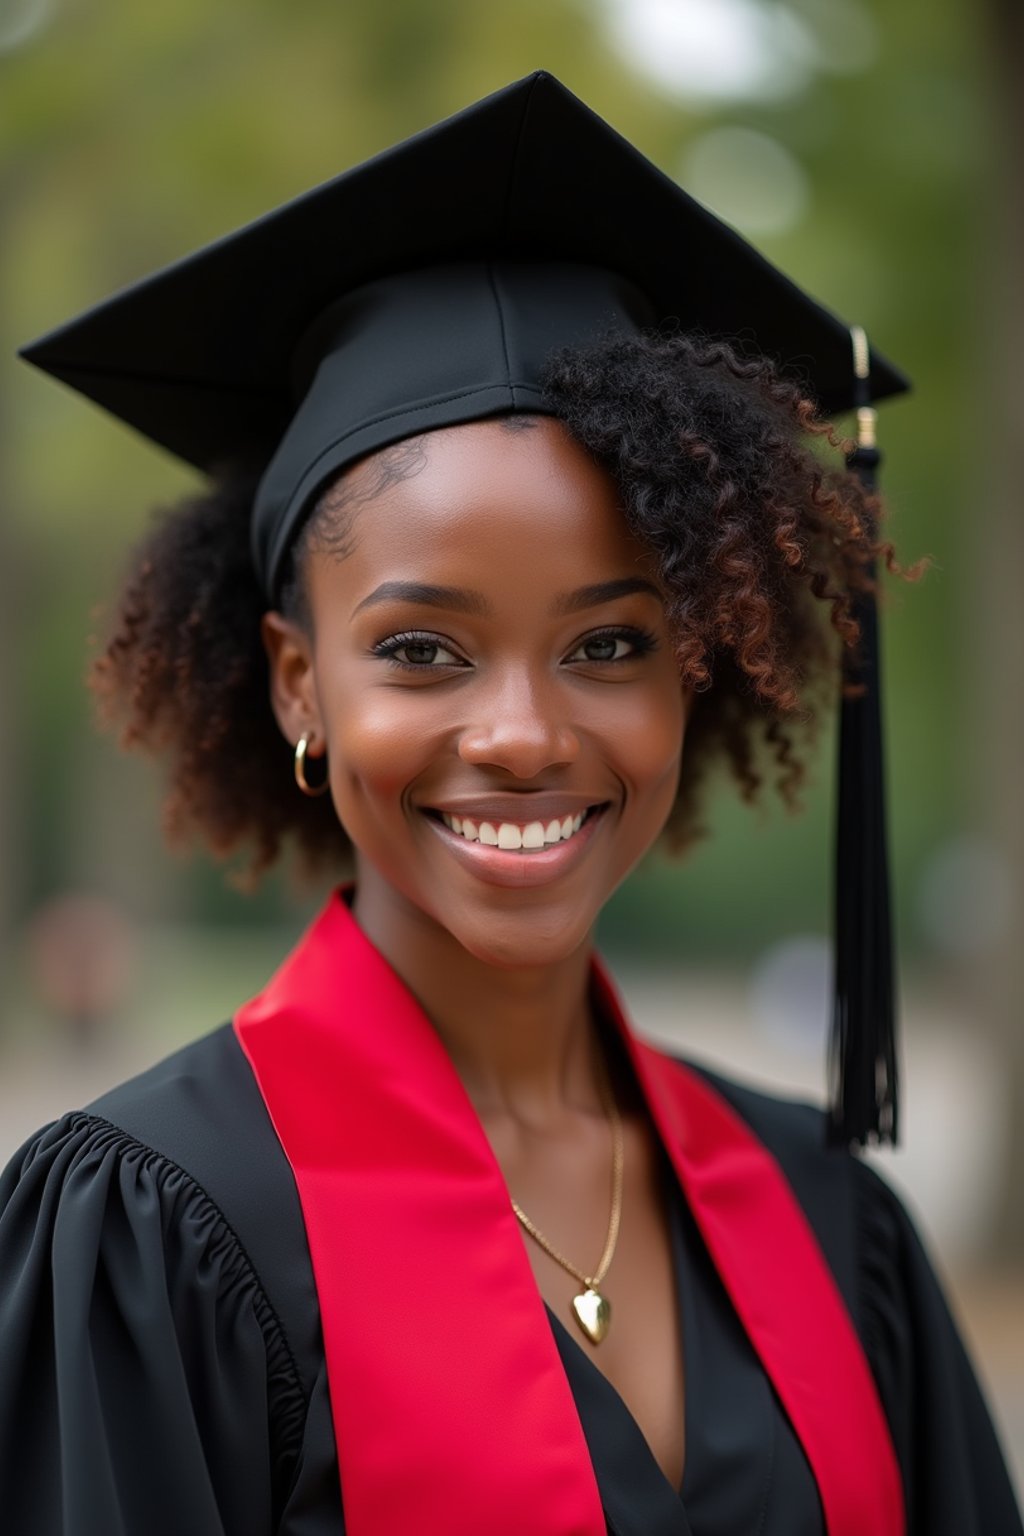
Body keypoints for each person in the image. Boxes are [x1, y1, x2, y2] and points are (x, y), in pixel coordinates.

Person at [1, 71, 1020, 1536]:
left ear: (697, 669)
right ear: (298, 685)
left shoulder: (822, 1211)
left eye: (611, 644)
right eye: (423, 650)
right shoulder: (154, 1237)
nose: (526, 734)